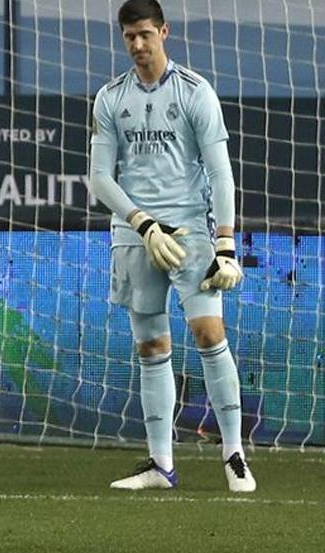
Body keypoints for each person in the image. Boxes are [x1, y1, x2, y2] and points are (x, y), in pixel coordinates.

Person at [89, 0, 255, 492]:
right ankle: (161, 465)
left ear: (164, 31)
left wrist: (225, 244)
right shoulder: (109, 97)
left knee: (208, 333)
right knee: (151, 345)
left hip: (190, 231)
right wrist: (142, 224)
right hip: (137, 234)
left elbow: (220, 170)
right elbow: (100, 178)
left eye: (145, 34)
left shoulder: (194, 92)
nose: (138, 45)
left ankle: (234, 454)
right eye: (129, 37)